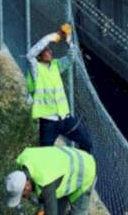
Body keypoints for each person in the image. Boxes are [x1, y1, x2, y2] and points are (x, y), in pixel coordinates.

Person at [26, 23, 92, 153]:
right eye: (46, 50)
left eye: (50, 49)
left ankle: (83, 167)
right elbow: (30, 55)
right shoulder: (37, 70)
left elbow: (71, 57)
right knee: (45, 154)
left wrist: (68, 41)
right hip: (48, 122)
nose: (50, 51)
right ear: (39, 56)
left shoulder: (56, 66)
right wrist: (53, 36)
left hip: (65, 118)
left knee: (86, 142)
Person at [5, 145, 96, 215]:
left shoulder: (46, 184)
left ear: (27, 186)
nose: (23, 198)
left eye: (22, 195)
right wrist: (42, 207)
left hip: (85, 171)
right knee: (56, 214)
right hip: (64, 166)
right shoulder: (24, 161)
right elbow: (41, 187)